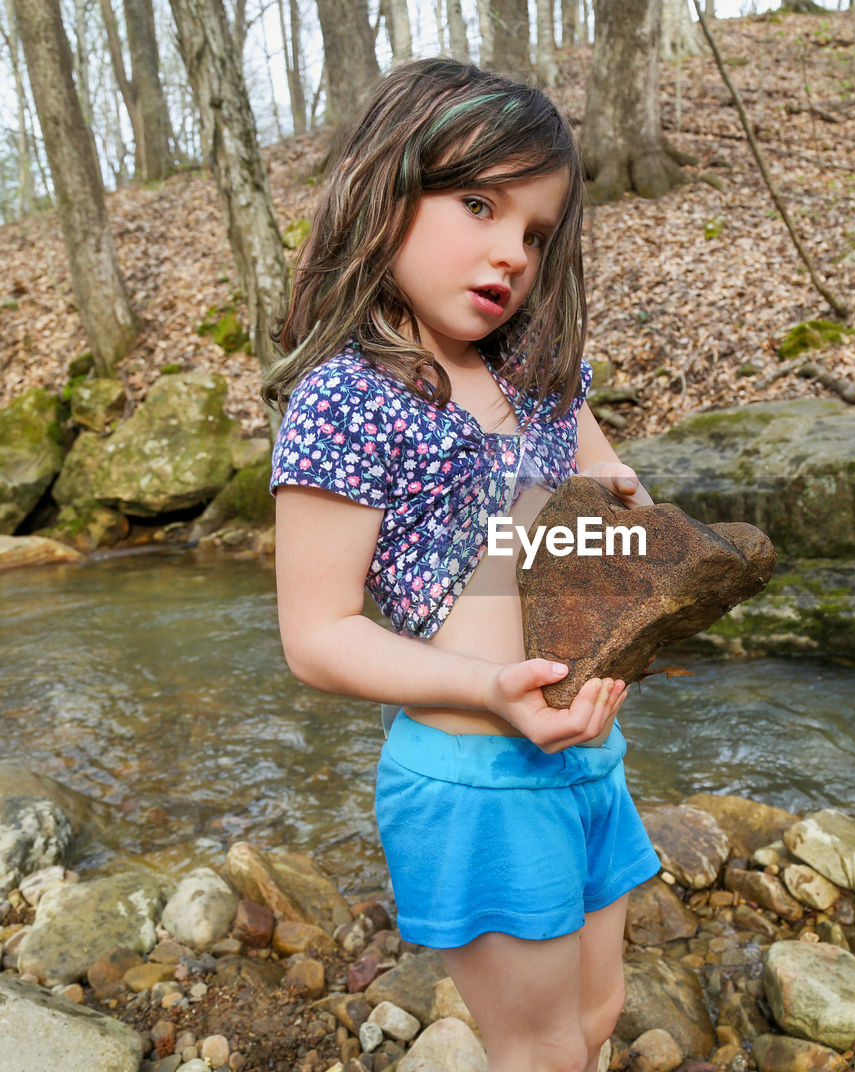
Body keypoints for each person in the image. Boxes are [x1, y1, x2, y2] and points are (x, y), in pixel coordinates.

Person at [263, 58, 661, 1072]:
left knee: (600, 1010)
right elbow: (316, 638)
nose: (510, 253)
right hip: (476, 779)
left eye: (533, 232)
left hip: (586, 751)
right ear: (382, 187)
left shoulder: (531, 368)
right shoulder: (349, 400)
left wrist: (623, 497)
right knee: (540, 1051)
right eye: (477, 204)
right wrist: (488, 684)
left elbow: (594, 461)